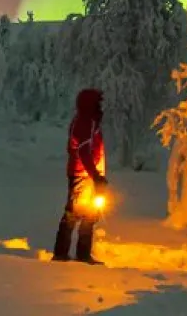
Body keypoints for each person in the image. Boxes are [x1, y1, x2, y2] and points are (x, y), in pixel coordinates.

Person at [52, 88, 109, 263]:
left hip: (86, 176)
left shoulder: (87, 121)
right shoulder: (85, 122)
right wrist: (96, 176)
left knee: (90, 213)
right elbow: (84, 152)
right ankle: (63, 254)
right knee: (75, 213)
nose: (101, 107)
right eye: (98, 103)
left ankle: (81, 254)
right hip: (83, 177)